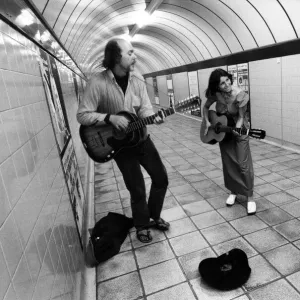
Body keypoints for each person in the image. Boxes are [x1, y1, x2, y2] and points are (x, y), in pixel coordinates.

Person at [77, 38, 170, 243]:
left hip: (142, 138)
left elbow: (144, 107)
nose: (135, 56)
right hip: (121, 147)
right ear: (116, 57)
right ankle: (142, 225)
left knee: (161, 178)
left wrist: (154, 117)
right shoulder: (97, 83)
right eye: (130, 53)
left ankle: (154, 217)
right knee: (136, 188)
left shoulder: (137, 79)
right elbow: (82, 116)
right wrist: (109, 118)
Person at [202, 68, 256, 215]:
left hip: (239, 130)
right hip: (224, 132)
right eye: (222, 83)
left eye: (227, 80)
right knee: (229, 162)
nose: (226, 85)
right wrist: (207, 122)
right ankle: (234, 191)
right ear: (217, 86)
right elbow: (206, 108)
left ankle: (250, 197)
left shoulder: (241, 95)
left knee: (243, 164)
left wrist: (236, 131)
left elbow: (240, 118)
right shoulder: (216, 95)